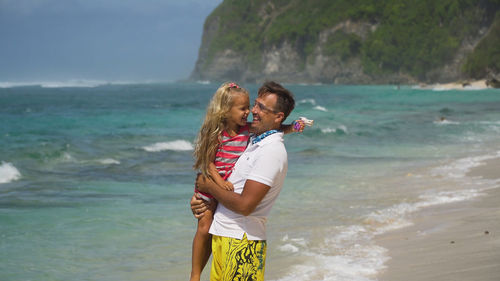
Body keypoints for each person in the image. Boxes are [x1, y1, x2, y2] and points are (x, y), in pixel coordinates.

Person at [190, 81, 304, 281]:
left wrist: (208, 186)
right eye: (255, 105)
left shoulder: (271, 151)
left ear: (278, 117)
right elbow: (218, 168)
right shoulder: (253, 140)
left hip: (243, 244)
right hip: (224, 237)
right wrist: (204, 199)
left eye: (260, 107)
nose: (252, 111)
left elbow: (245, 206)